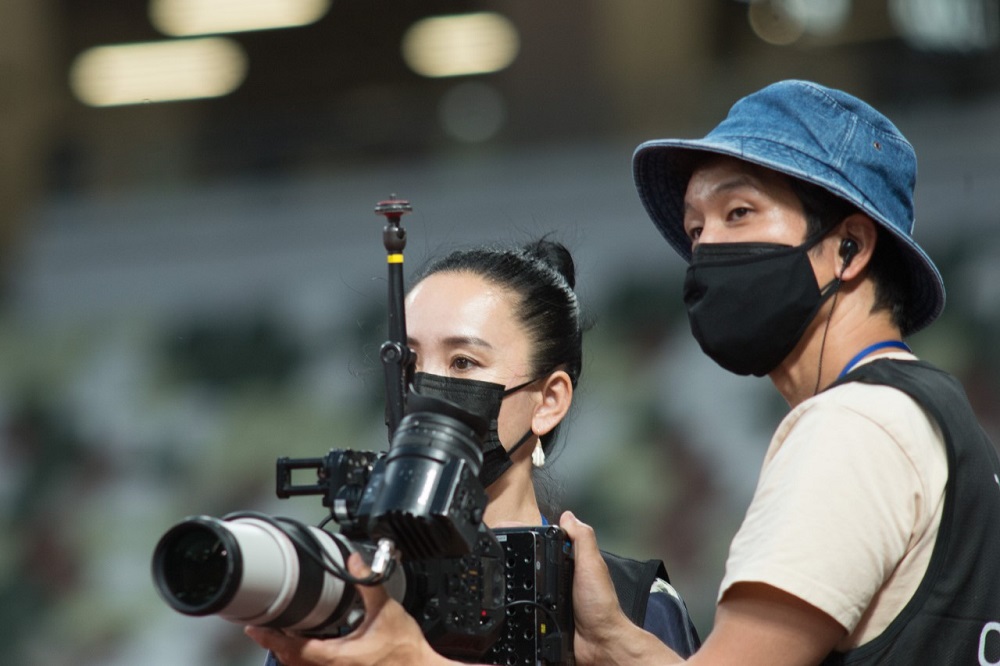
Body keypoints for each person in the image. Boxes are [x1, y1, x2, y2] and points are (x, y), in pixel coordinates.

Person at [556, 79, 1000, 664]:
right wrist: (616, 642)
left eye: (738, 213)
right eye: (695, 229)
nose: (706, 248)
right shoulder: (928, 413)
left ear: (850, 246)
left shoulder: (851, 427)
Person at [250, 239, 700, 665]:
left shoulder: (631, 605)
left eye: (463, 362)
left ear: (549, 400)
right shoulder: (338, 596)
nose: (423, 391)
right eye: (407, 364)